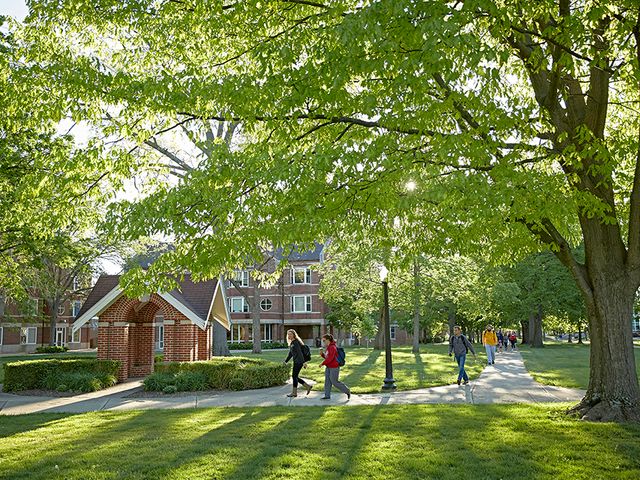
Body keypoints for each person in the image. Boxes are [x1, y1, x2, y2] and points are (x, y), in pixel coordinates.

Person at [319, 334, 351, 400]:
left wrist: (322, 363)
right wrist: (322, 354)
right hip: (328, 367)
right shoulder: (328, 347)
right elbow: (327, 357)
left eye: (324, 340)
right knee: (327, 381)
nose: (323, 342)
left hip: (334, 367)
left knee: (334, 382)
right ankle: (327, 395)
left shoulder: (332, 347)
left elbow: (330, 358)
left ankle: (347, 391)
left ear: (328, 340)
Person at [284, 329, 312, 397]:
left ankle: (294, 392)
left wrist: (303, 362)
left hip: (299, 362)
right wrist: (285, 361)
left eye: (290, 334)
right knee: (295, 376)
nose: (289, 335)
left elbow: (300, 353)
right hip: (296, 361)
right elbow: (291, 353)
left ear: (294, 335)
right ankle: (307, 386)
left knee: (294, 376)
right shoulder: (292, 343)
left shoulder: (296, 342)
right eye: (288, 334)